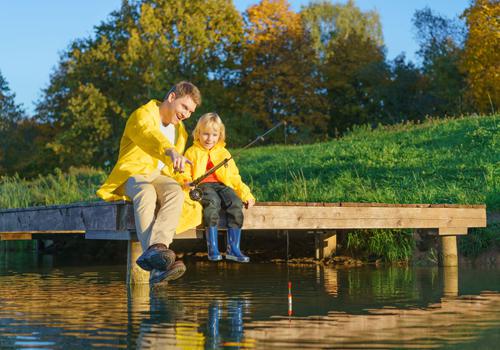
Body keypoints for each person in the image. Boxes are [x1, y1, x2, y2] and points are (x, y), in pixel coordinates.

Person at [97, 81, 202, 285]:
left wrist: (184, 181)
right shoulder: (142, 115)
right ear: (171, 98)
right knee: (146, 193)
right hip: (132, 173)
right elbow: (150, 137)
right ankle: (157, 260)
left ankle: (158, 249)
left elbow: (173, 169)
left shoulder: (181, 132)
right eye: (184, 107)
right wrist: (171, 151)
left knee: (175, 192)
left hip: (158, 176)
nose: (187, 114)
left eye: (191, 111)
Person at [180, 113, 255, 263]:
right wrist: (187, 182)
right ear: (198, 133)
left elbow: (234, 176)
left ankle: (233, 248)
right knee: (213, 202)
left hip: (222, 185)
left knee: (235, 203)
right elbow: (184, 172)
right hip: (203, 185)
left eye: (214, 135)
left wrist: (246, 194)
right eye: (206, 134)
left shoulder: (224, 153)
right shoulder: (191, 152)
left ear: (220, 135)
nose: (210, 139)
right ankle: (212, 247)